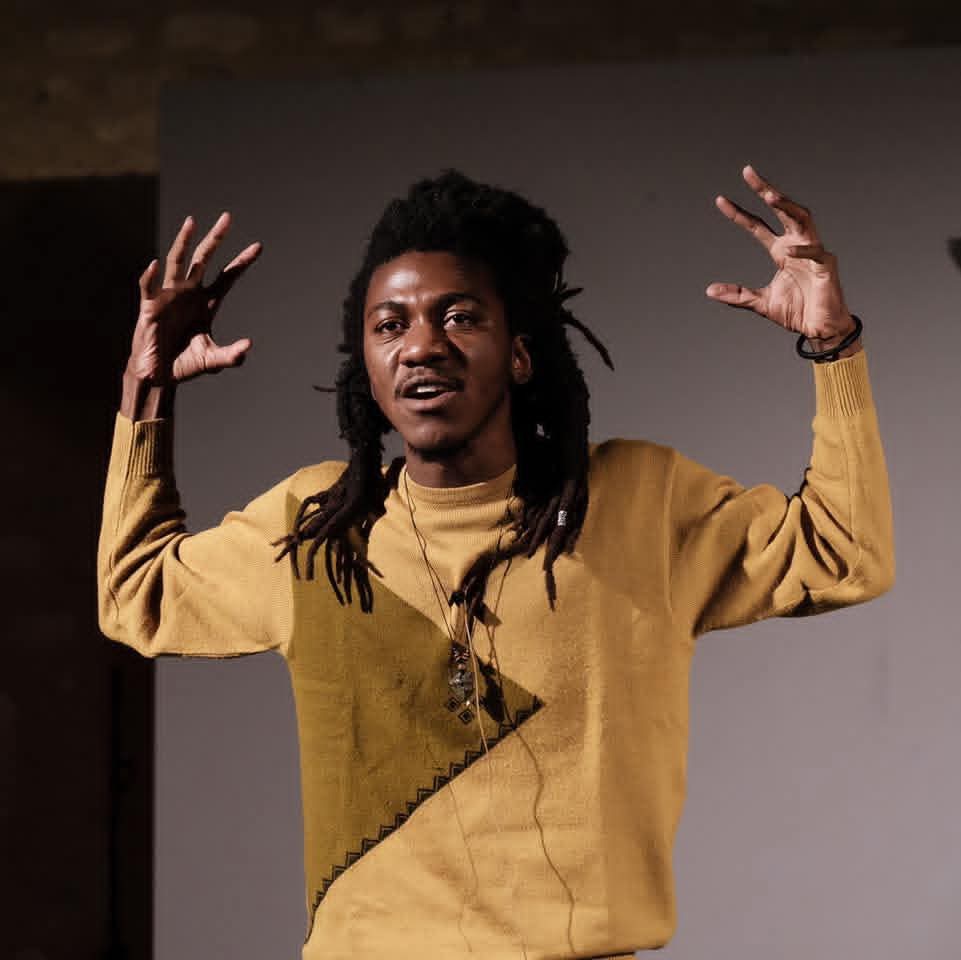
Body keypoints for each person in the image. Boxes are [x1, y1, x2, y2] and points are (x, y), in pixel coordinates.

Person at [97, 167, 894, 959]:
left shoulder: (636, 502)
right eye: (389, 325)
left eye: (458, 317)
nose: (421, 345)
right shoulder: (317, 528)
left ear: (518, 355)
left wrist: (832, 347)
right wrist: (146, 388)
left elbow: (842, 553)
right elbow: (135, 594)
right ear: (366, 366)